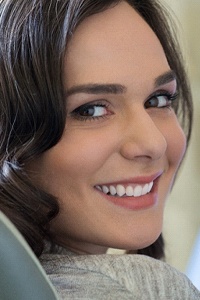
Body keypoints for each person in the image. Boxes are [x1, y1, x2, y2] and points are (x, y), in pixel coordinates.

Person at [0, 0, 199, 298]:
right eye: (91, 110)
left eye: (157, 100)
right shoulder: (142, 290)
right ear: (11, 135)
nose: (154, 143)